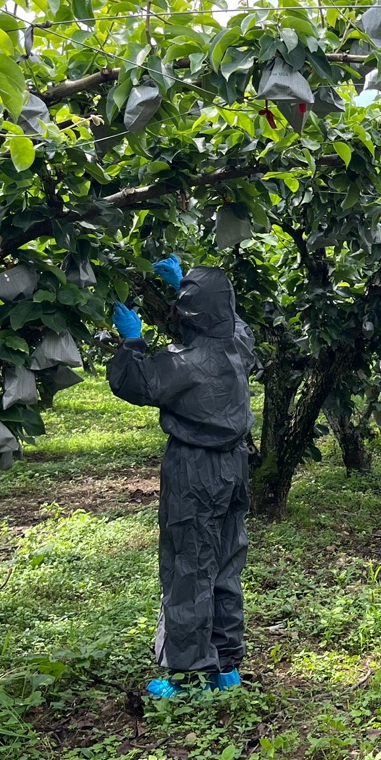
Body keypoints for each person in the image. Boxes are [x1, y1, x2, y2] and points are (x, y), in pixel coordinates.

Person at [108, 255, 256, 698]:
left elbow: (135, 384)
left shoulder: (181, 362)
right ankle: (225, 664)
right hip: (235, 465)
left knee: (189, 563)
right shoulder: (239, 345)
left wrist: (132, 341)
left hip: (195, 468)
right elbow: (233, 323)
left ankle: (188, 673)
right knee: (227, 559)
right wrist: (184, 286)